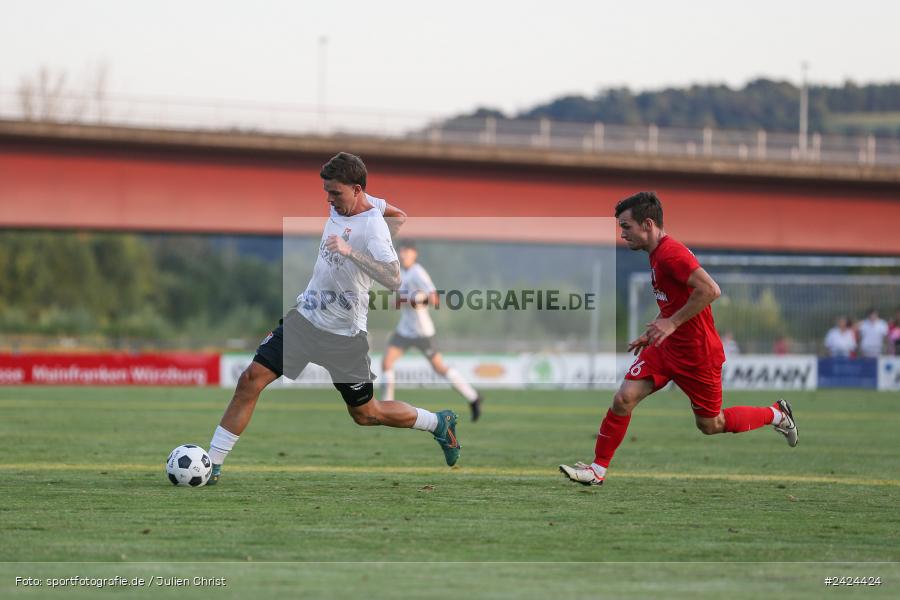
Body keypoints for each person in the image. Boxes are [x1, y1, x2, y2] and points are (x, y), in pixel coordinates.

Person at [205, 152, 460, 485]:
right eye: (326, 192)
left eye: (335, 193)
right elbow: (401, 215)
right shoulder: (354, 205)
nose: (329, 199)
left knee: (366, 414)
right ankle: (212, 465)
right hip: (306, 319)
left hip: (344, 334)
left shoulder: (372, 227)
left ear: (356, 189)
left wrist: (353, 251)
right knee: (250, 379)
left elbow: (395, 279)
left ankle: (438, 423)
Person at [559, 191, 798, 487]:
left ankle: (776, 414)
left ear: (647, 224)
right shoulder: (657, 254)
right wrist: (654, 333)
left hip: (698, 355)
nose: (622, 235)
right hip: (666, 349)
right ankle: (597, 470)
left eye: (626, 227)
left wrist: (671, 323)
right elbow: (675, 302)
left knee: (711, 425)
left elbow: (711, 290)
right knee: (623, 399)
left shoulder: (672, 253)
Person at [381, 240, 484, 421]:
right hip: (404, 330)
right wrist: (399, 301)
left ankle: (474, 398)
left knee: (439, 368)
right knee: (386, 363)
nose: (403, 254)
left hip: (422, 332)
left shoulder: (418, 272)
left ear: (415, 254)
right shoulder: (400, 274)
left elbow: (435, 299)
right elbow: (399, 301)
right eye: (400, 251)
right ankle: (386, 407)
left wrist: (415, 301)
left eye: (406, 251)